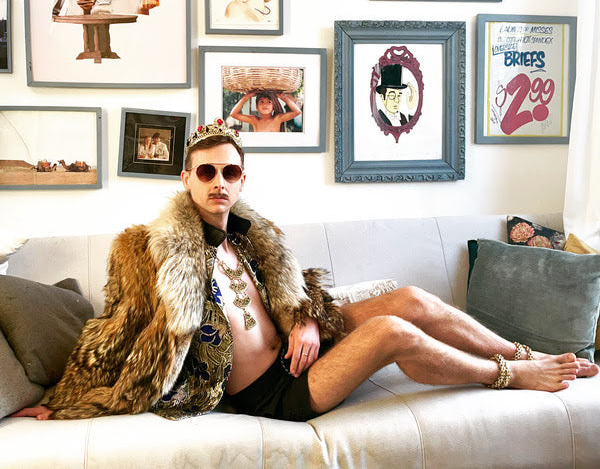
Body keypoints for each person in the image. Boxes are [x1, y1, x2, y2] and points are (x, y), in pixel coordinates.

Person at [12, 120, 599, 422]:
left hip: (303, 351)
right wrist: (63, 399)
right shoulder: (148, 250)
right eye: (207, 172)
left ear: (242, 180)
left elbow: (292, 298)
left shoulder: (254, 236)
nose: (220, 183)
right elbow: (114, 331)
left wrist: (308, 321)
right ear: (186, 179)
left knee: (412, 300)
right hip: (271, 392)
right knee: (392, 333)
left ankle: (524, 354)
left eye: (231, 173)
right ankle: (505, 376)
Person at [230, 89, 301, 132]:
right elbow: (233, 114)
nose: (265, 105)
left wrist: (283, 97)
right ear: (256, 107)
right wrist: (246, 97)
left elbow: (297, 112)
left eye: (269, 102)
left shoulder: (277, 119)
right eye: (261, 102)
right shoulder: (255, 120)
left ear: (273, 106)